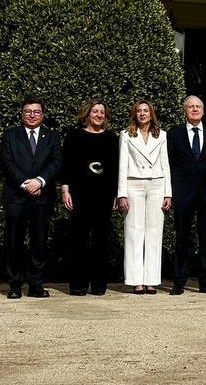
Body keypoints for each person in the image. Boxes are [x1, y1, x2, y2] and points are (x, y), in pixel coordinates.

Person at [0, 96, 63, 299]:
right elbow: (7, 162)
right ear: (22, 114)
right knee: (14, 242)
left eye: (36, 111)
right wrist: (26, 183)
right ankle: (15, 285)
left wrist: (40, 181)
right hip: (16, 196)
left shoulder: (52, 136)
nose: (32, 115)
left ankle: (36, 284)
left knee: (39, 242)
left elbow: (56, 162)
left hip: (42, 197)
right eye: (28, 111)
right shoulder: (11, 135)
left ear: (43, 114)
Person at [61, 99, 119, 296]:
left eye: (102, 112)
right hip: (79, 194)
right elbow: (66, 164)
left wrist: (114, 194)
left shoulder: (111, 138)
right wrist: (65, 189)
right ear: (87, 114)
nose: (99, 115)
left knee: (101, 241)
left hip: (103, 195)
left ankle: (99, 285)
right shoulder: (74, 136)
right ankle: (78, 285)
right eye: (95, 111)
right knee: (79, 240)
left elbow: (115, 168)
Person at [165, 95, 206, 295]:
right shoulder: (174, 134)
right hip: (182, 193)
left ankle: (205, 282)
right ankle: (179, 282)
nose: (195, 109)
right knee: (182, 238)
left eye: (198, 107)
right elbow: (169, 163)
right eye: (191, 107)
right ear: (184, 111)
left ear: (203, 111)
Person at [117, 100, 172, 295]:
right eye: (139, 111)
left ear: (151, 113)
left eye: (145, 110)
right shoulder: (126, 135)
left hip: (157, 184)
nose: (142, 114)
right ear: (134, 114)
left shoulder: (161, 135)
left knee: (155, 232)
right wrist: (121, 194)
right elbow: (122, 165)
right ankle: (135, 280)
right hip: (133, 184)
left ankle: (151, 280)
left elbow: (166, 165)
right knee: (133, 230)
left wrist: (168, 192)